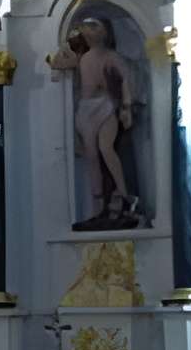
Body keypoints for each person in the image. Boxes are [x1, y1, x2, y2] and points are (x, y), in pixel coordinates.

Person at [50, 14, 142, 229]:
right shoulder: (82, 58)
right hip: (86, 109)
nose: (89, 31)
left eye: (94, 26)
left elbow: (126, 78)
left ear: (105, 31)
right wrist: (63, 47)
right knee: (92, 157)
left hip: (105, 106)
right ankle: (98, 207)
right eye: (86, 26)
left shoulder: (111, 56)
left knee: (106, 148)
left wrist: (127, 107)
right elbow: (56, 66)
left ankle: (126, 195)